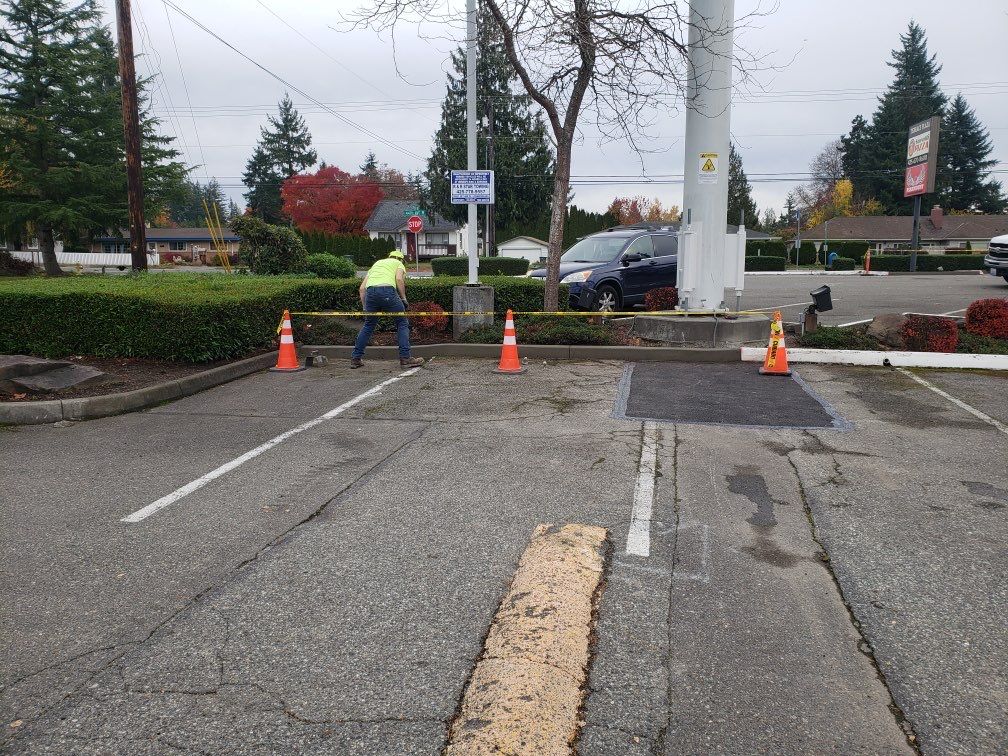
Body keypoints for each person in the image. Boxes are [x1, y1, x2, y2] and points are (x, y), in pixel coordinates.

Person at [351, 249, 425, 369]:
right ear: (401, 259)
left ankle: (356, 358)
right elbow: (399, 279)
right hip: (387, 291)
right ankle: (405, 358)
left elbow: (362, 288)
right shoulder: (398, 263)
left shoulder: (377, 264)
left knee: (368, 325)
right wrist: (404, 299)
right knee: (402, 323)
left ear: (389, 256)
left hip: (370, 293)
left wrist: (365, 307)